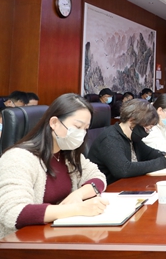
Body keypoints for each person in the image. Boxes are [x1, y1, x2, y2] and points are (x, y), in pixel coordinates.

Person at [0, 93, 108, 239]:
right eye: (77, 126)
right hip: (24, 241)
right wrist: (77, 208)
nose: (81, 134)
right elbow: (13, 212)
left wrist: (79, 194)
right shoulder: (18, 158)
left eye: (85, 128)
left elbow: (98, 177)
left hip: (59, 236)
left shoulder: (68, 153)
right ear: (54, 123)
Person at [87, 99, 166, 185]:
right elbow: (124, 169)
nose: (147, 133)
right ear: (132, 121)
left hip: (126, 185)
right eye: (147, 129)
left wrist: (165, 155)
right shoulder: (110, 138)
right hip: (109, 188)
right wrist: (163, 162)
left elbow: (149, 153)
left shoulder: (132, 137)